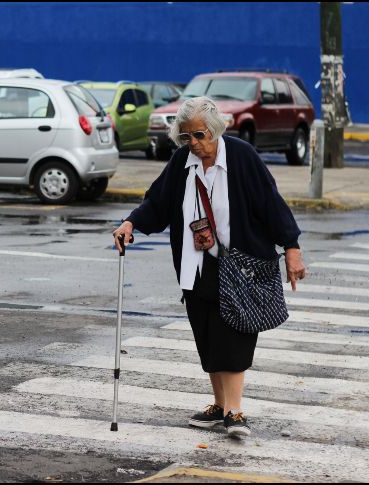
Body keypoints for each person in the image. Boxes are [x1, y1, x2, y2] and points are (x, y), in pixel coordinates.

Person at [112, 96, 306, 438]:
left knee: (232, 338)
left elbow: (270, 202)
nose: (194, 144)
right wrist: (131, 223)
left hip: (239, 265)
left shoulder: (242, 158)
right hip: (196, 266)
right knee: (208, 339)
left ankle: (235, 411)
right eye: (186, 137)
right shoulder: (181, 163)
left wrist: (291, 247)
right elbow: (156, 202)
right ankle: (219, 405)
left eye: (199, 135)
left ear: (216, 130)